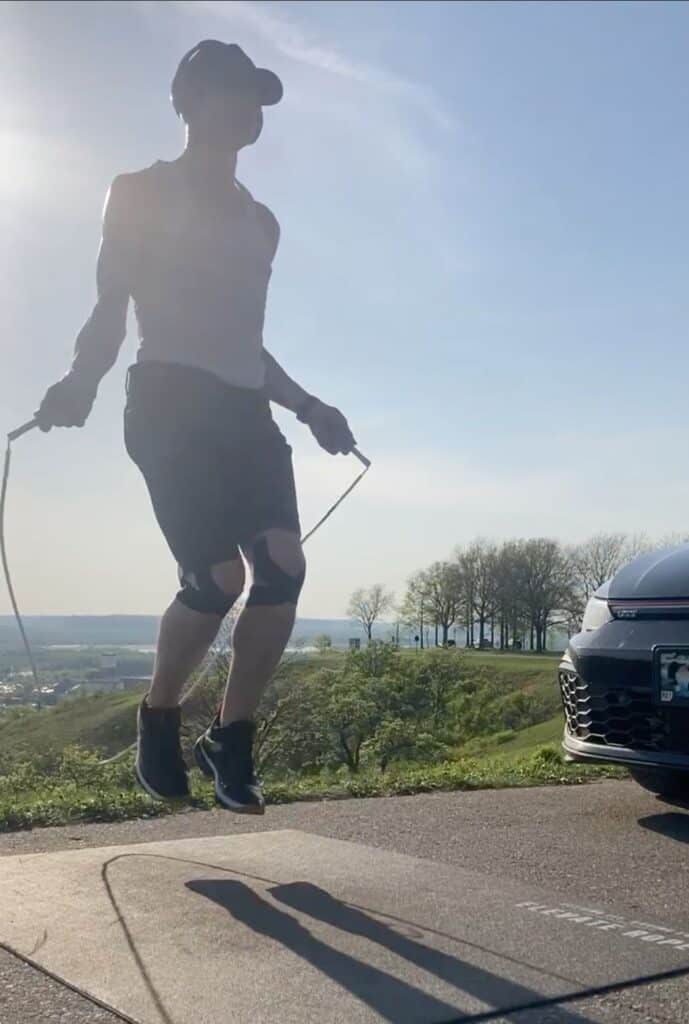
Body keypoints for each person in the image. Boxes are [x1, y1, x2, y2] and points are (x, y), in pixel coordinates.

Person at [35, 41, 356, 815]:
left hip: (245, 411)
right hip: (169, 403)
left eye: (258, 98)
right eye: (235, 92)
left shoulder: (262, 222)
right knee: (218, 581)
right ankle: (158, 714)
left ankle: (230, 739)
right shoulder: (138, 190)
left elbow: (245, 343)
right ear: (189, 99)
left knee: (282, 566)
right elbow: (113, 302)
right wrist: (81, 381)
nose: (250, 110)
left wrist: (311, 408)